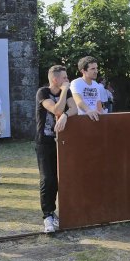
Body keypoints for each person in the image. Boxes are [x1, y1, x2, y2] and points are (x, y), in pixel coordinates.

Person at [35, 65, 78, 233]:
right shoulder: (43, 93)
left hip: (61, 142)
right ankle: (47, 215)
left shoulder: (65, 93)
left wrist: (66, 115)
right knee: (47, 179)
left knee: (62, 179)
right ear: (55, 79)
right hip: (44, 142)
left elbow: (73, 108)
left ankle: (59, 213)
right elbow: (56, 109)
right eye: (65, 78)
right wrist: (64, 93)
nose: (67, 80)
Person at [69, 56, 102, 120]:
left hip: (96, 119)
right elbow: (78, 100)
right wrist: (89, 110)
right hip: (81, 120)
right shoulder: (76, 83)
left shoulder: (96, 84)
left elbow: (98, 103)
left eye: (96, 68)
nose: (96, 71)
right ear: (83, 71)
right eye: (92, 69)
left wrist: (102, 117)